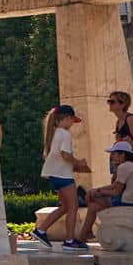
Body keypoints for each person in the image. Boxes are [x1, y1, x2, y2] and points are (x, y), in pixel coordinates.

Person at [32, 105, 90, 251]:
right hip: (63, 175)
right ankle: (70, 241)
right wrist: (79, 163)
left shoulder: (54, 133)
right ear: (66, 118)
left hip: (54, 174)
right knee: (73, 206)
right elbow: (65, 155)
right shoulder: (64, 134)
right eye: (72, 121)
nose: (72, 125)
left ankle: (41, 230)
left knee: (65, 206)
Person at [107, 91, 133, 166]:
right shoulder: (118, 121)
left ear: (122, 104)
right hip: (126, 162)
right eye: (109, 101)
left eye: (112, 102)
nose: (109, 104)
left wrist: (124, 143)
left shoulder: (131, 119)